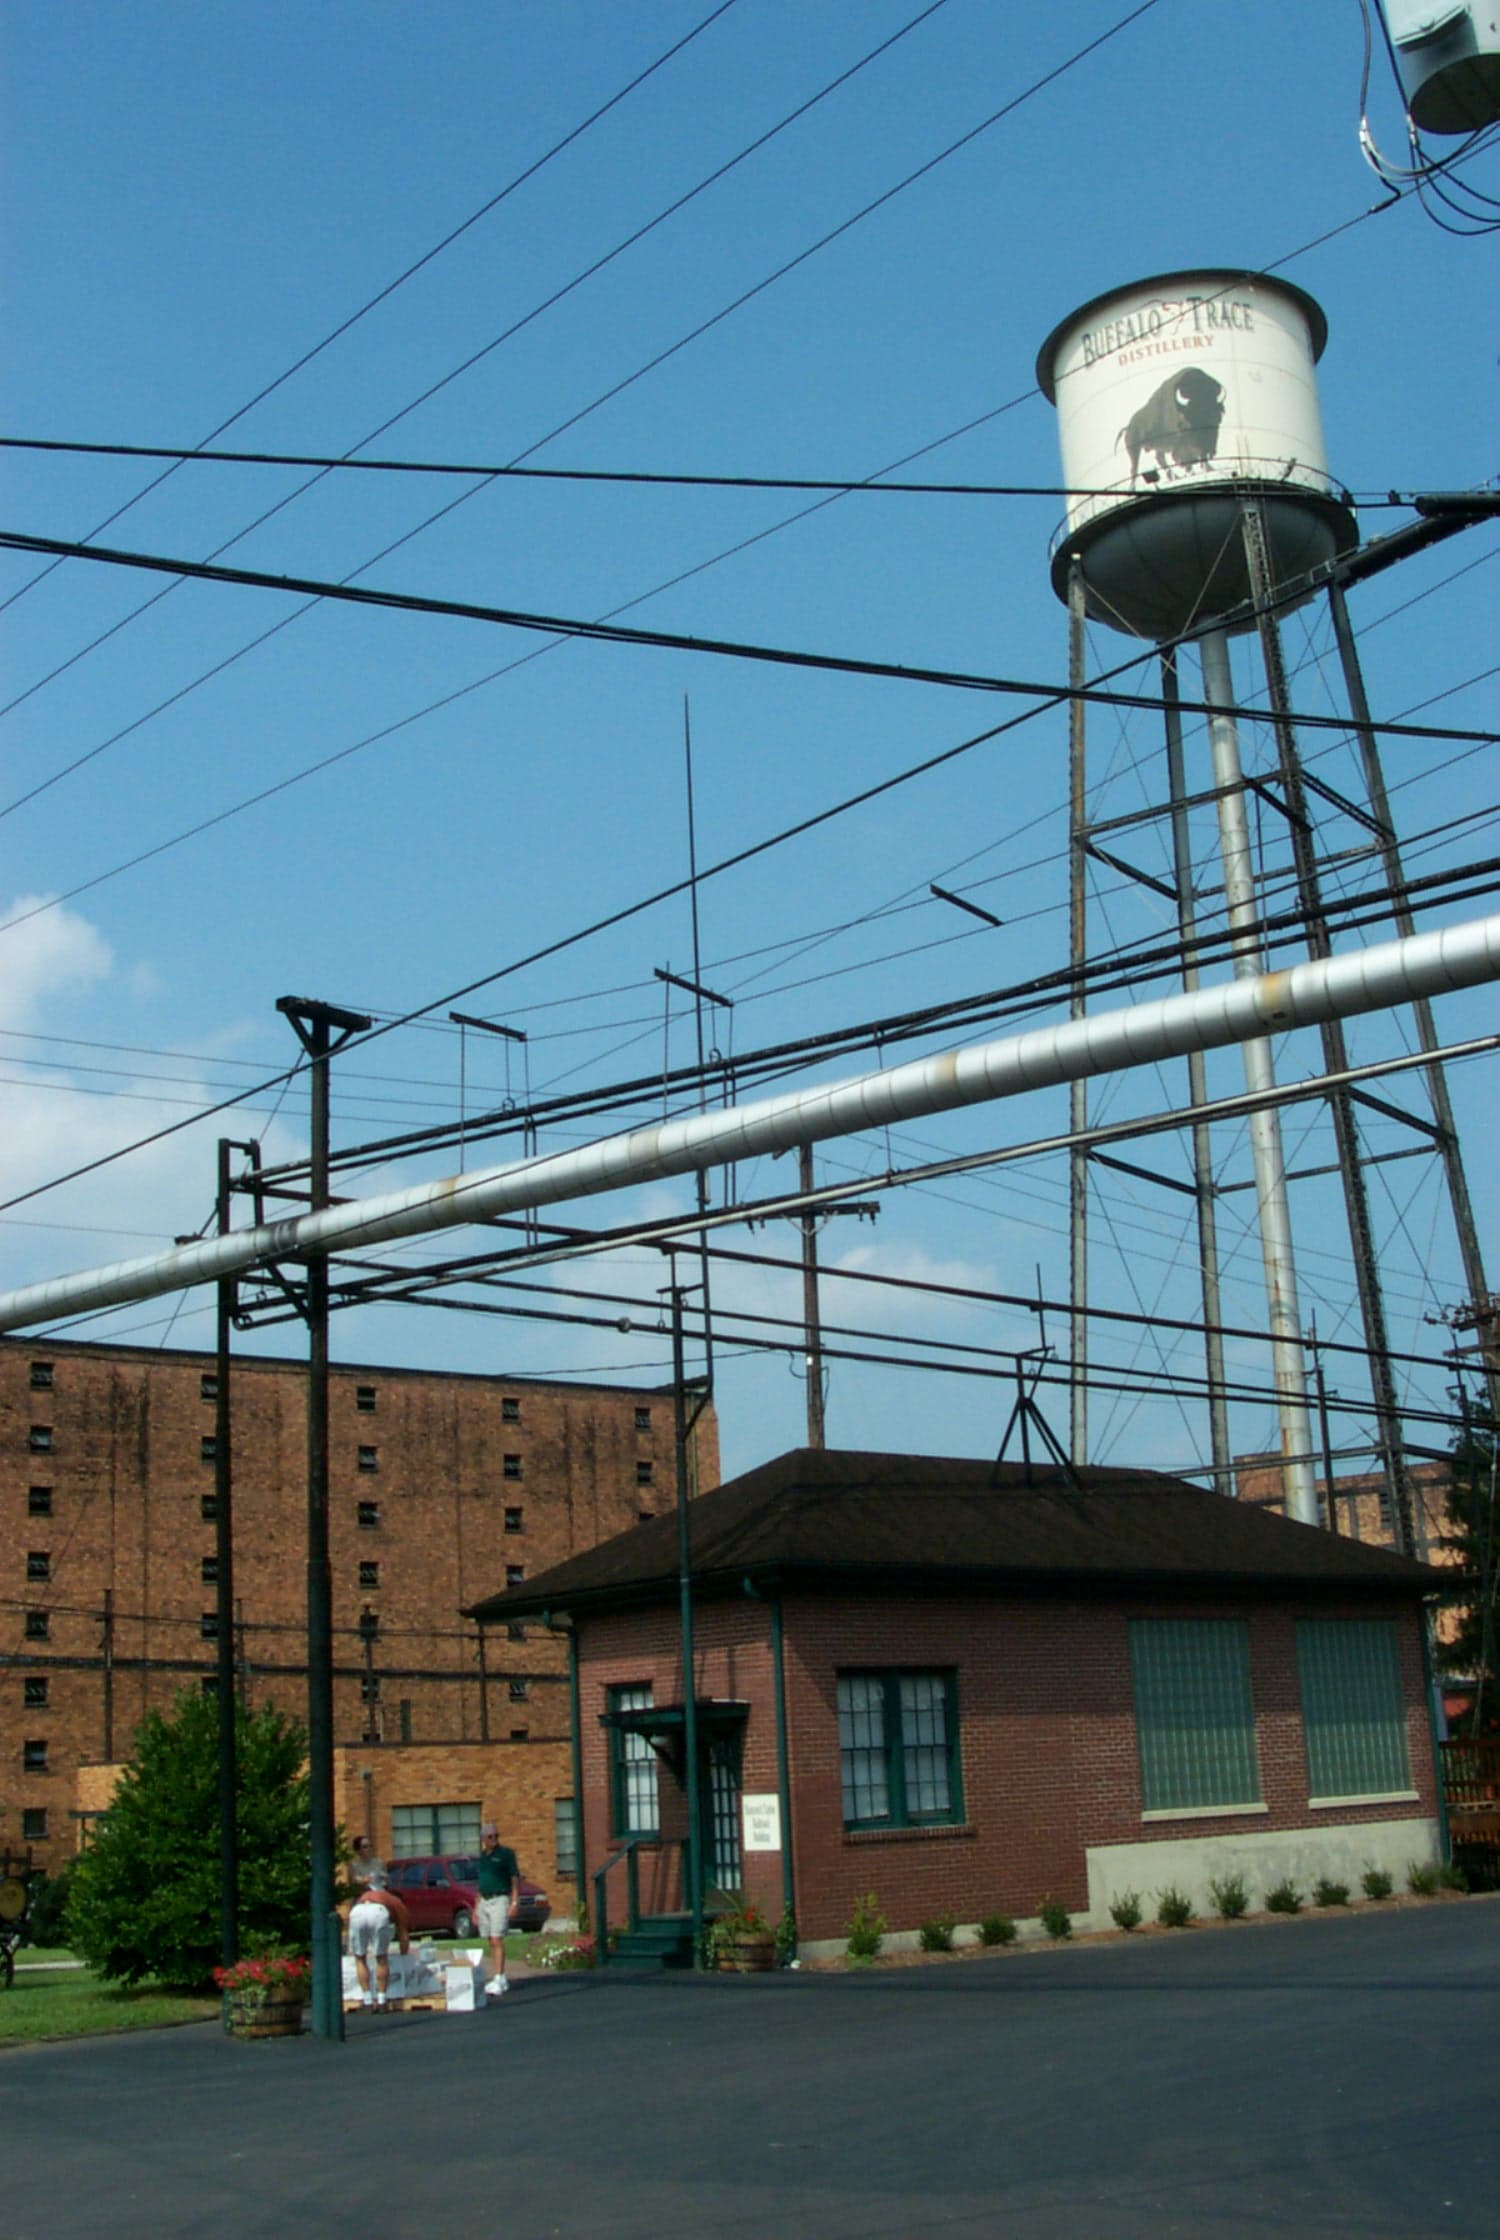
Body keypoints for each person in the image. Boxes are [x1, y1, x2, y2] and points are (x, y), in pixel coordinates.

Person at [346, 1865, 411, 2011]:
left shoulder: (366, 1895)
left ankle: (367, 2000)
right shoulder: (396, 1902)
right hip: (378, 1912)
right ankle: (382, 2001)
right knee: (381, 1958)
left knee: (360, 1957)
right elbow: (403, 1935)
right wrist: (404, 1956)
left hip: (357, 1911)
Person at [476, 1821, 521, 2000]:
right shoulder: (482, 1857)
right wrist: (476, 1907)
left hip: (500, 1898)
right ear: (483, 1839)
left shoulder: (506, 1854)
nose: (494, 1839)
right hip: (484, 1900)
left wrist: (514, 1902)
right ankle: (498, 1976)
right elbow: (480, 1883)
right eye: (490, 1837)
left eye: (496, 1836)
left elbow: (514, 1878)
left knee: (497, 1938)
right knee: (490, 1939)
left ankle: (499, 1977)